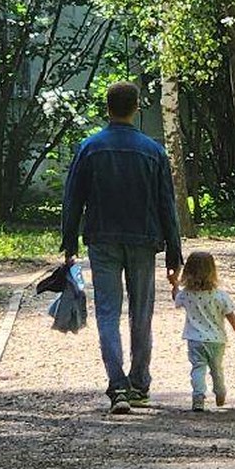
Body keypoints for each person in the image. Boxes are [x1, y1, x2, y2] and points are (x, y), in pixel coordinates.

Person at [60, 80, 183, 414]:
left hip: (102, 241)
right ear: (137, 108)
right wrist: (175, 253)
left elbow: (73, 200)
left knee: (108, 313)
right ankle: (140, 383)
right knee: (141, 314)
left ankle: (117, 388)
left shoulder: (89, 148)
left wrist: (68, 244)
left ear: (107, 108)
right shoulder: (153, 151)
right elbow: (166, 206)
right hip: (144, 241)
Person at [172, 251, 235, 411]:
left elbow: (176, 300)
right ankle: (220, 391)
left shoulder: (186, 295)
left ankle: (198, 396)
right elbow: (230, 315)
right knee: (216, 368)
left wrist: (175, 285)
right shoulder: (220, 296)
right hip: (217, 339)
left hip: (195, 340)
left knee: (198, 367)